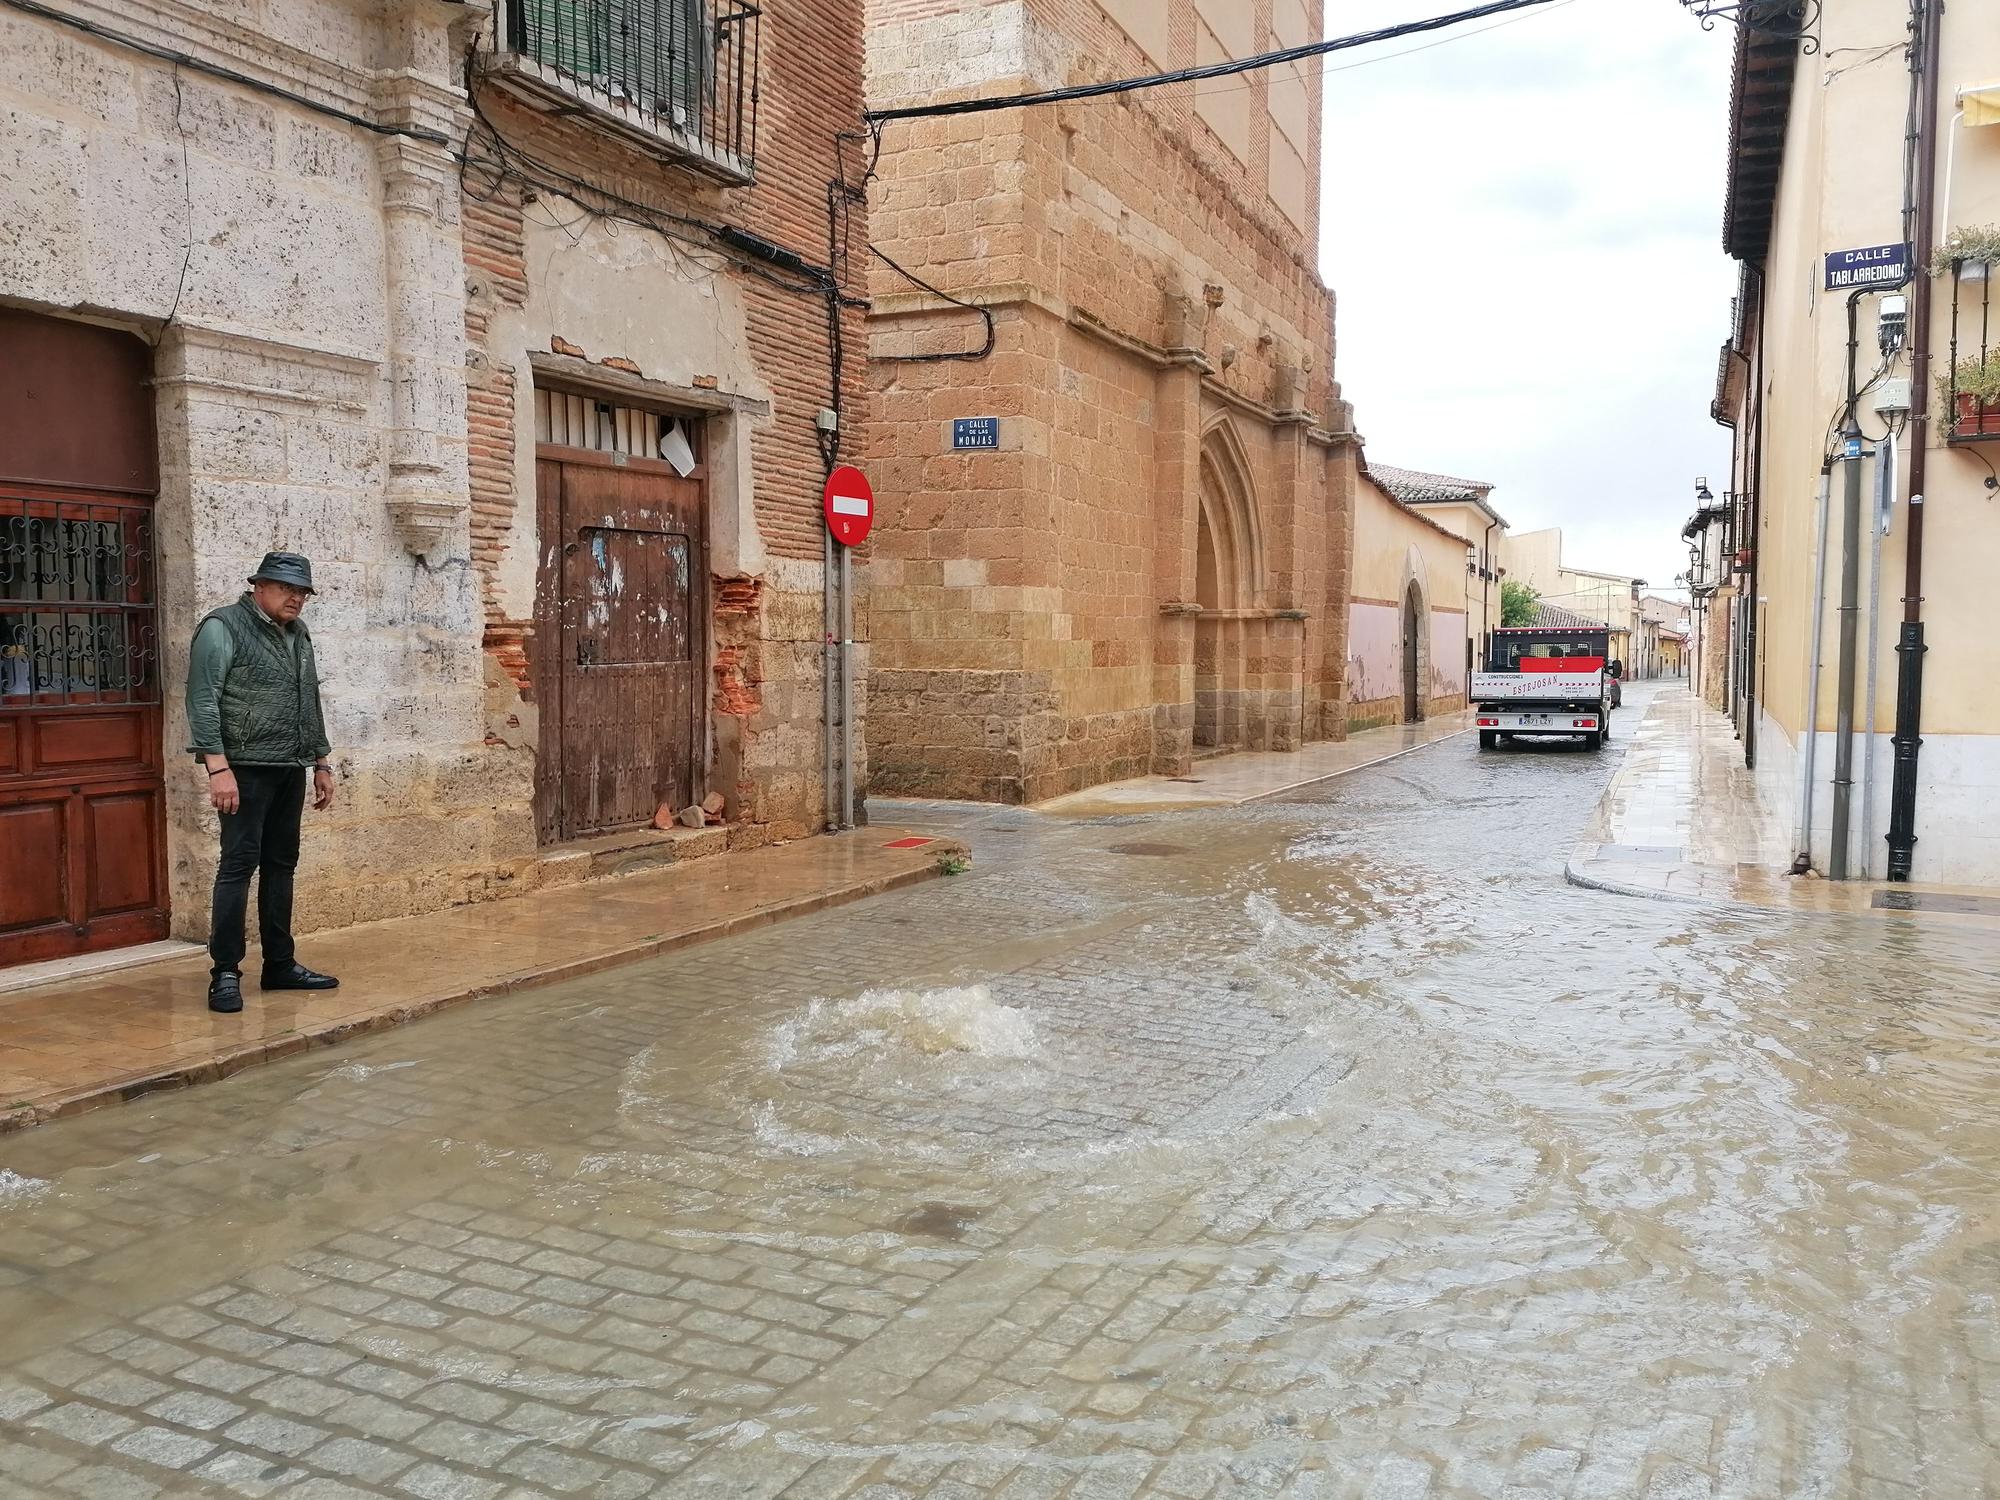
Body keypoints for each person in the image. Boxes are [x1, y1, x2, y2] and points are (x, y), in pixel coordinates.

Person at [186, 552, 340, 1013]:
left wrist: (321, 761)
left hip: (288, 766)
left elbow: (307, 696)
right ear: (258, 586)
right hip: (243, 769)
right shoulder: (222, 627)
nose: (296, 598)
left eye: (302, 592)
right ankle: (226, 972)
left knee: (281, 865)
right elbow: (202, 699)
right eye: (286, 588)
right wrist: (218, 768)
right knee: (237, 866)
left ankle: (280, 964)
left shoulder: (299, 633)